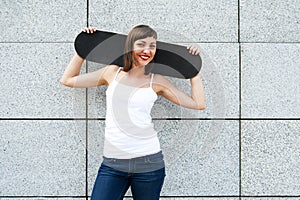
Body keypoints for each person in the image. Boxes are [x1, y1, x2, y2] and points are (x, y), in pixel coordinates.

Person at [60, 24, 206, 200]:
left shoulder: (157, 81)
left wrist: (193, 72)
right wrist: (83, 49)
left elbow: (198, 104)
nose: (147, 50)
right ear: (130, 46)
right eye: (141, 44)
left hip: (148, 165)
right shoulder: (111, 73)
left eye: (152, 46)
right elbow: (68, 79)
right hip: (113, 164)